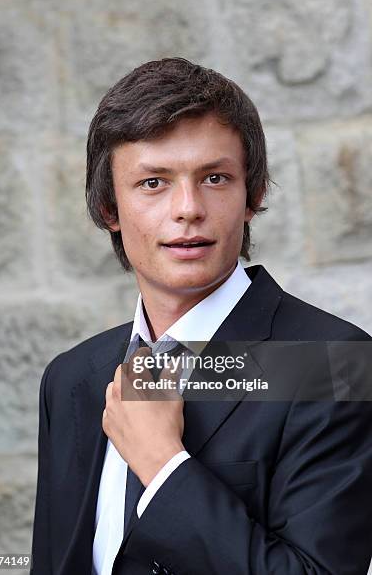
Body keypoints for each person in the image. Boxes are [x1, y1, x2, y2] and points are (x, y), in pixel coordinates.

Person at [30, 57, 372, 574]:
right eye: (153, 183)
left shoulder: (335, 363)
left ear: (252, 196)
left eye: (214, 177)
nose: (188, 207)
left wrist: (166, 468)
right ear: (108, 208)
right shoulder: (72, 378)